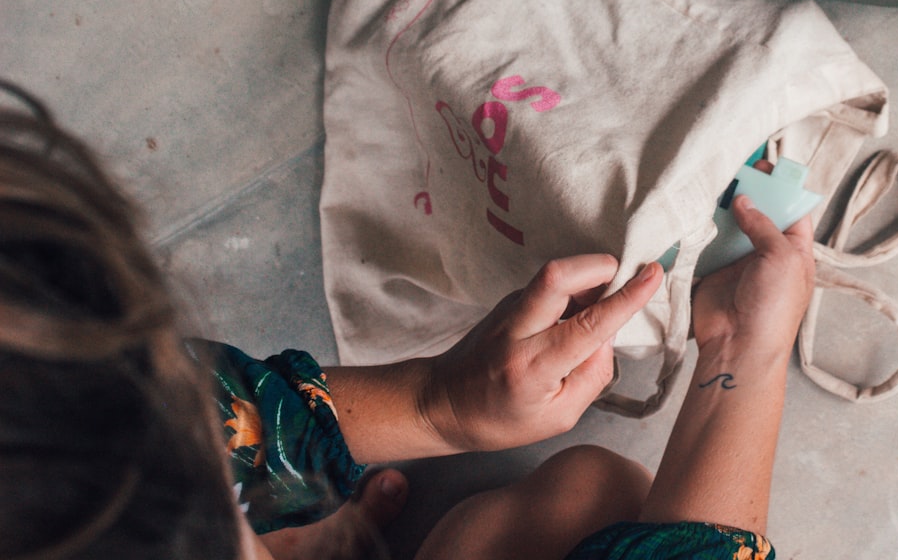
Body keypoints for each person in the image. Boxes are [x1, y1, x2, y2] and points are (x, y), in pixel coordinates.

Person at [0, 80, 813, 560]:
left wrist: (440, 404)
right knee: (594, 495)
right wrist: (747, 346)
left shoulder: (74, 404)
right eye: (228, 523)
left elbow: (235, 418)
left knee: (578, 495)